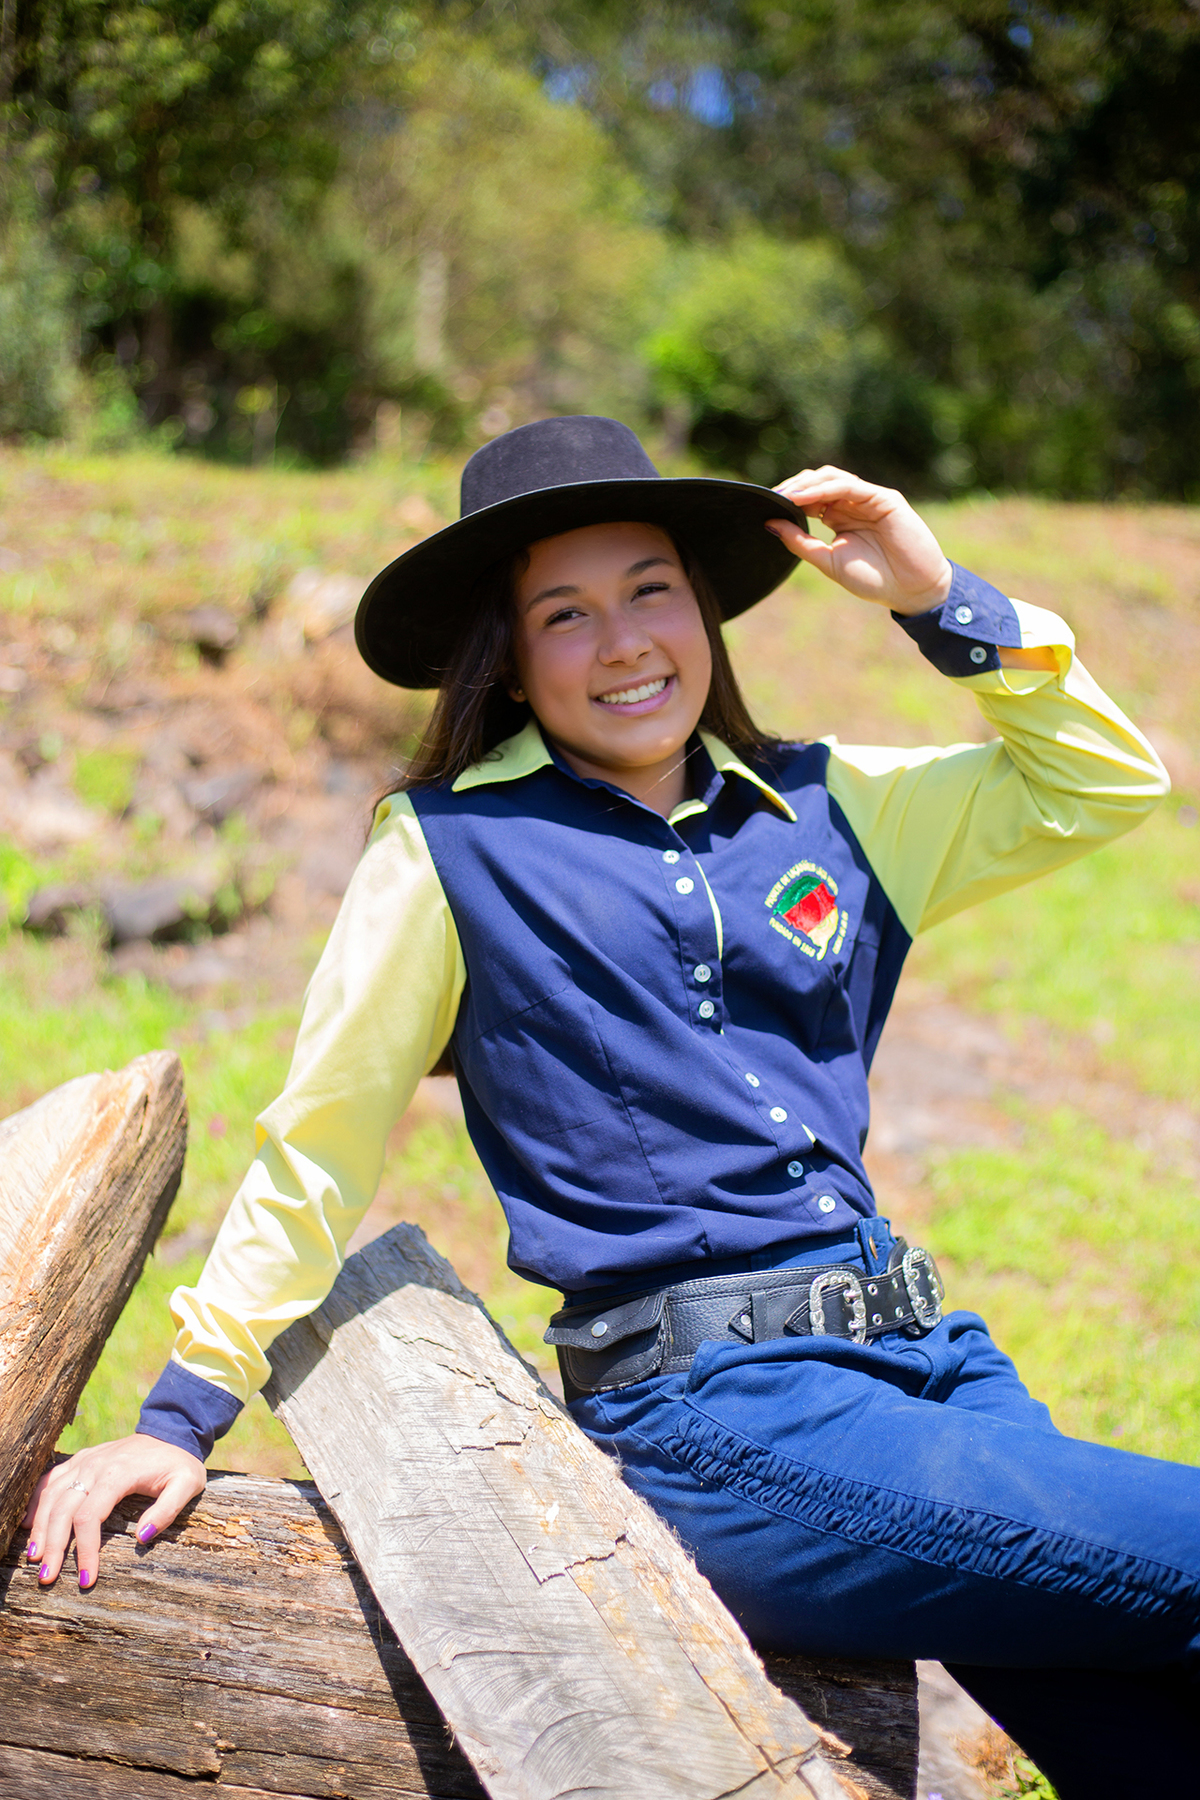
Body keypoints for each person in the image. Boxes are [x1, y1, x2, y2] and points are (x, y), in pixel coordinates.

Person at [26, 416, 1196, 1798]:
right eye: (564, 614)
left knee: (1151, 1733)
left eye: (651, 589)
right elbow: (319, 1140)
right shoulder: (453, 852)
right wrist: (176, 1421)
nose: (625, 642)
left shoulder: (832, 807)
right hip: (725, 1423)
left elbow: (1105, 782)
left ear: (702, 609)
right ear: (510, 661)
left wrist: (944, 604)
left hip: (936, 1362)